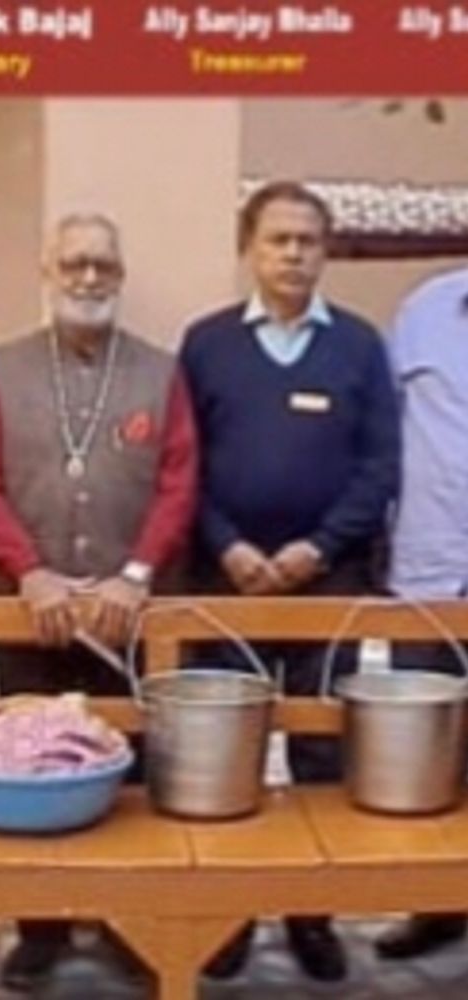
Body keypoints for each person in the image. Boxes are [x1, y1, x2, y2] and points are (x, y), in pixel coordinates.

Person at [0, 211, 197, 991]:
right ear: (48, 272)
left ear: (120, 275)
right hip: (30, 608)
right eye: (74, 264)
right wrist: (29, 571)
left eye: (103, 265)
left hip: (128, 611)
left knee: (128, 772)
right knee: (34, 767)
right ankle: (41, 926)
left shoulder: (161, 372)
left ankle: (128, 922)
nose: (89, 278)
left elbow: (179, 482)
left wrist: (135, 573)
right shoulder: (0, 368)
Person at [180, 180, 400, 983]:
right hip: (224, 584)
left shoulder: (360, 346)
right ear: (250, 248)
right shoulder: (206, 344)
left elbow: (381, 466)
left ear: (325, 251)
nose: (294, 254)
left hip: (328, 583)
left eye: (308, 240)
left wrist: (319, 546)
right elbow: (182, 463)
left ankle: (313, 915)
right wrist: (229, 544)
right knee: (224, 756)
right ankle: (228, 915)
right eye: (278, 239)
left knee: (320, 750)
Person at [372, 266, 468, 962]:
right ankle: (439, 906)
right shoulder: (423, 311)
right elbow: (386, 430)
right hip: (430, 571)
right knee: (429, 756)